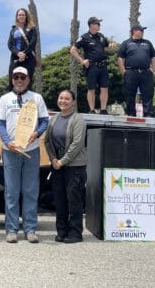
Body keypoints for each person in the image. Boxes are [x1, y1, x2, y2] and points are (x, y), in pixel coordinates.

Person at [0, 66, 49, 243]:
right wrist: (7, 141)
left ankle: (30, 229)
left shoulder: (37, 98)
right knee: (11, 191)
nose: (19, 80)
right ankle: (11, 229)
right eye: (16, 77)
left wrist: (37, 133)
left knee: (30, 191)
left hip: (31, 150)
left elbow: (44, 121)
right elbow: (0, 123)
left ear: (28, 79)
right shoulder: (5, 99)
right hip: (10, 150)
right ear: (12, 79)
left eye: (22, 77)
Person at [44, 90, 87, 243]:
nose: (63, 101)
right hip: (57, 166)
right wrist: (53, 159)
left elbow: (77, 144)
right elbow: (47, 141)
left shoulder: (78, 119)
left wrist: (63, 161)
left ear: (73, 102)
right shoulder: (54, 119)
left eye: (67, 99)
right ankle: (61, 231)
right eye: (61, 98)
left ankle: (75, 233)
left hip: (74, 166)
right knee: (60, 200)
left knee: (73, 200)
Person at [70, 16, 116, 114]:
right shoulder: (84, 37)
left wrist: (111, 47)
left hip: (103, 66)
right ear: (91, 25)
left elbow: (107, 47)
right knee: (91, 88)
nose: (99, 25)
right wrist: (82, 61)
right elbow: (73, 50)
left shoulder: (101, 36)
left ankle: (103, 110)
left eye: (99, 24)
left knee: (104, 88)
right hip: (91, 66)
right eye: (97, 24)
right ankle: (92, 109)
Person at [117, 24, 155, 117]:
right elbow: (120, 58)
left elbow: (153, 57)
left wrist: (152, 70)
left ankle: (148, 114)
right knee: (130, 94)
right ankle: (131, 114)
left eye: (143, 31)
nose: (143, 32)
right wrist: (123, 71)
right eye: (141, 30)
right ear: (134, 31)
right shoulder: (126, 43)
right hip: (131, 72)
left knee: (148, 94)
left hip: (146, 72)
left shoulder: (147, 43)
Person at [7, 8, 38, 82]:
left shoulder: (32, 28)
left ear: (26, 16)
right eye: (19, 15)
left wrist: (24, 53)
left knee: (27, 81)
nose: (21, 16)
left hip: (29, 58)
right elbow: (10, 44)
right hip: (15, 58)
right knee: (13, 80)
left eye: (23, 15)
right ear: (17, 17)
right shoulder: (13, 30)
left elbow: (33, 43)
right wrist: (18, 53)